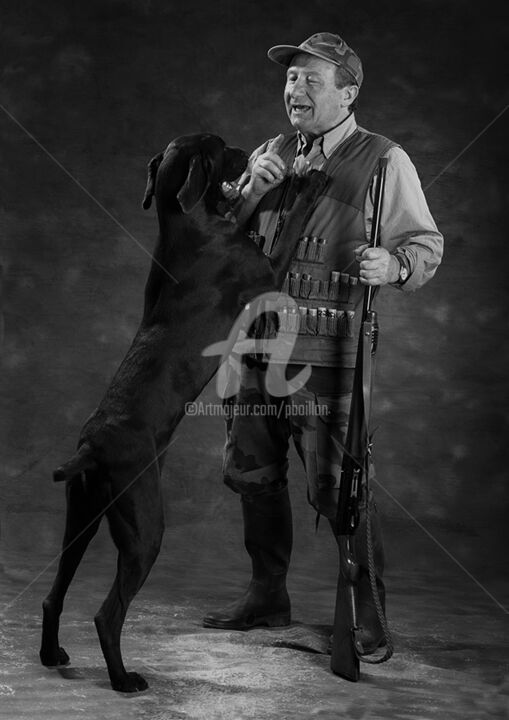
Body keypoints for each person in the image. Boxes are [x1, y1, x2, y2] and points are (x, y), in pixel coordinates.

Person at [203, 32, 443, 653]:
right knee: (252, 472)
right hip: (254, 347)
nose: (295, 89)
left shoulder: (384, 160)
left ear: (348, 92)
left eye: (312, 79)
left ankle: (366, 612)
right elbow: (219, 241)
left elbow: (426, 245)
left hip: (328, 357)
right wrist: (251, 189)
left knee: (339, 486)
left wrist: (393, 267)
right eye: (291, 79)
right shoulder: (271, 151)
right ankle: (267, 596)